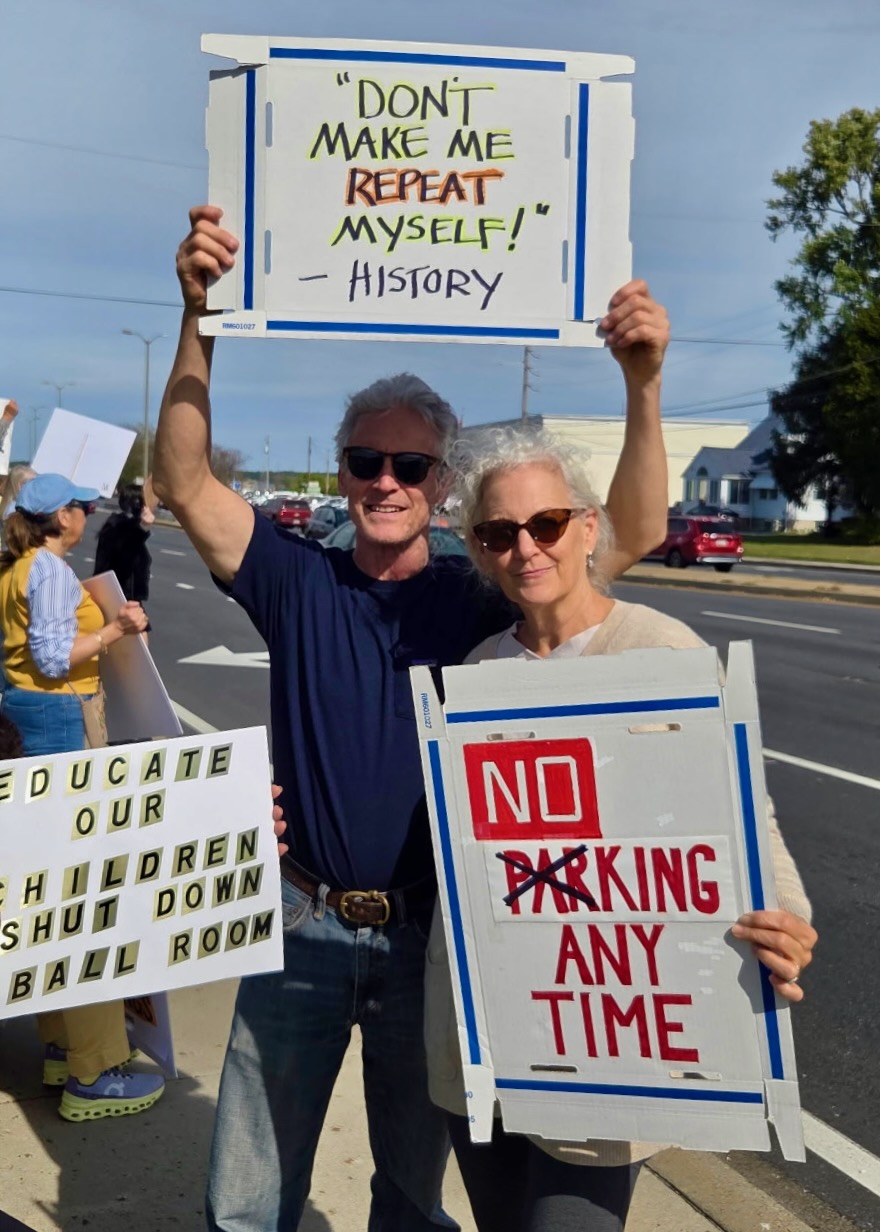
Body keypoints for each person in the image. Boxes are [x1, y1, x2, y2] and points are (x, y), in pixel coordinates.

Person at [152, 203, 671, 1232]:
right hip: (297, 921)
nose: (384, 482)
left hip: (431, 934)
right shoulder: (292, 576)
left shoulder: (483, 589)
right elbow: (184, 478)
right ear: (344, 470)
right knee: (248, 1198)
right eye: (364, 460)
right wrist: (198, 319)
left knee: (406, 1193)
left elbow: (637, 527)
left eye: (410, 466)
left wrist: (642, 382)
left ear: (442, 486)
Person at [424, 425, 818, 1232]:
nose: (527, 549)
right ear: (477, 547)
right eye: (501, 533)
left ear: (589, 525)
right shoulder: (472, 675)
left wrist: (787, 919)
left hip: (605, 1035)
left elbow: (744, 815)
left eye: (547, 524)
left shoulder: (660, 651)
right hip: (491, 1031)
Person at [0, 473, 165, 1122]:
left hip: (30, 722)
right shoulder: (48, 573)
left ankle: (62, 1047)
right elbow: (51, 655)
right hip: (59, 725)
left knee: (48, 894)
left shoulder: (18, 567)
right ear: (57, 517)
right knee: (84, 899)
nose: (88, 514)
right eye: (80, 506)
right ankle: (93, 1072)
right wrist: (118, 629)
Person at [93, 483, 154, 607]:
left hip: (124, 597)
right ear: (137, 504)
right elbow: (126, 550)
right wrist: (142, 528)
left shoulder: (121, 525)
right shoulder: (116, 527)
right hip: (119, 598)